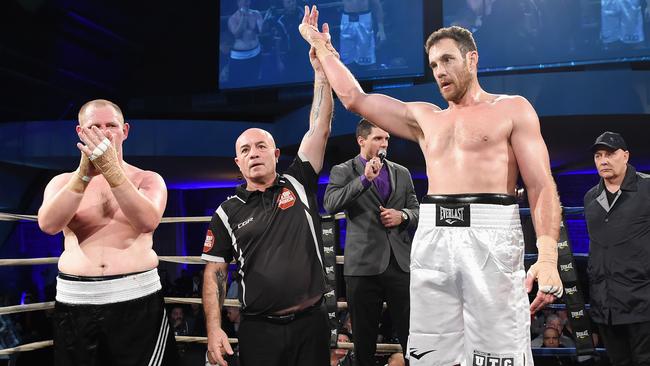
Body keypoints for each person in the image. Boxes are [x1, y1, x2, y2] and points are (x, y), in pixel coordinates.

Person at [299, 14, 563, 365]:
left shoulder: (511, 109)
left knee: (499, 352)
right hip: (434, 236)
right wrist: (323, 48)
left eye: (447, 60)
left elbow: (540, 184)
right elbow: (355, 99)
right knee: (431, 352)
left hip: (491, 233)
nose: (439, 71)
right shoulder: (426, 118)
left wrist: (547, 257)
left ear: (472, 58)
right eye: (434, 64)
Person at [201, 9, 335, 366]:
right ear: (238, 163)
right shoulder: (226, 212)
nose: (254, 153)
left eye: (261, 147)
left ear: (276, 154)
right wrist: (214, 330)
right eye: (245, 150)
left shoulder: (298, 180)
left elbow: (320, 124)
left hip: (311, 323)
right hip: (259, 330)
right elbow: (214, 273)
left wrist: (321, 67)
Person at [37, 99, 178, 365]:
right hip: (75, 303)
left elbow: (147, 221)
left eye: (111, 125)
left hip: (136, 300)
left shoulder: (148, 179)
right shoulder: (62, 182)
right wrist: (83, 176)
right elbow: (48, 225)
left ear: (125, 131)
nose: (103, 132)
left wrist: (111, 170)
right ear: (80, 132)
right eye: (94, 126)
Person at [323, 118, 418, 365]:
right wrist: (364, 179)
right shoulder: (343, 170)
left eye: (386, 138)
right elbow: (331, 204)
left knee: (412, 337)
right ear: (361, 140)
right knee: (363, 342)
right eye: (377, 138)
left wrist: (403, 216)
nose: (384, 143)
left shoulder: (402, 173)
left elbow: (417, 211)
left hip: (400, 264)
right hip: (363, 267)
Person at [584, 131, 650, 366]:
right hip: (606, 306)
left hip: (643, 303)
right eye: (598, 155)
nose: (603, 160)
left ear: (625, 155)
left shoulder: (647, 188)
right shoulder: (591, 198)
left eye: (610, 154)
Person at [227, 0, 264, 85]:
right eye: (243, 1)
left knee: (255, 80)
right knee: (238, 82)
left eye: (247, 1)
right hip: (239, 57)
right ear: (238, 2)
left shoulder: (256, 14)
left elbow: (261, 31)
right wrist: (243, 17)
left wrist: (264, 22)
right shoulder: (233, 18)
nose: (245, 3)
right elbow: (237, 34)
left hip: (255, 53)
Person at [339, 0, 385, 67]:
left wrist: (381, 29)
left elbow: (377, 6)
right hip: (346, 19)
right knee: (346, 60)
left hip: (364, 18)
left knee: (366, 59)